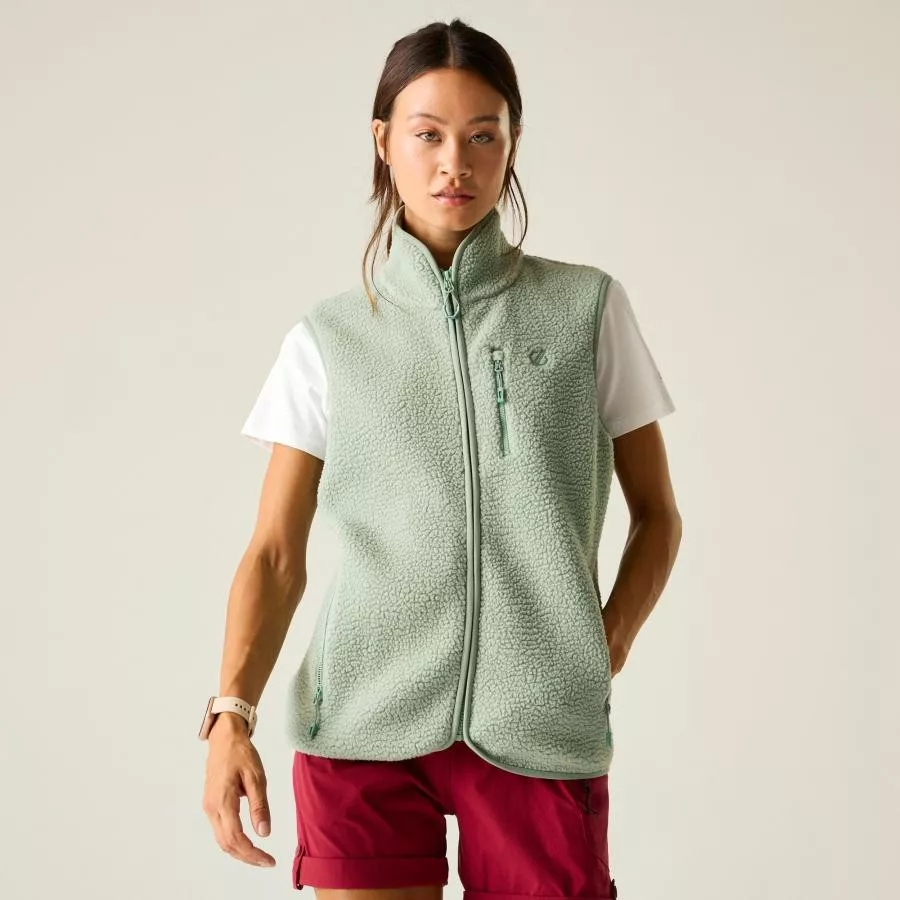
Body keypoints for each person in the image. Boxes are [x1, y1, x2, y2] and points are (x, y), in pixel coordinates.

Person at [200, 17, 682, 900]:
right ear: (383, 141)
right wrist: (232, 712)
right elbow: (274, 552)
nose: (454, 163)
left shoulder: (586, 310)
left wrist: (601, 644)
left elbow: (658, 515)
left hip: (540, 730)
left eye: (481, 136)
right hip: (360, 726)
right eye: (427, 135)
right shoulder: (329, 339)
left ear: (512, 142)